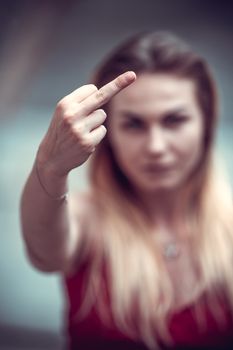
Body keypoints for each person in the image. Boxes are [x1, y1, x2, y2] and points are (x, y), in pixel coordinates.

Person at [20, 31, 233, 349]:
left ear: (206, 123)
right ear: (107, 134)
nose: (156, 147)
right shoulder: (86, 218)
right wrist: (50, 166)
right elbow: (44, 254)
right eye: (134, 124)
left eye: (174, 120)